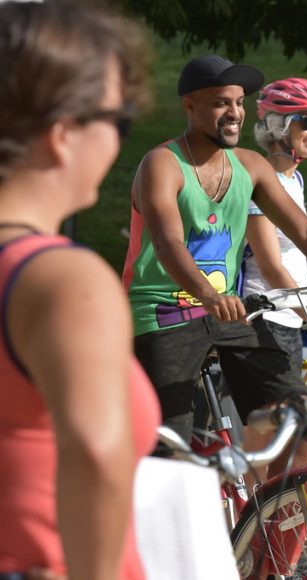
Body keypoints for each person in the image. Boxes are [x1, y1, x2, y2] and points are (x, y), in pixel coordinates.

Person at [123, 55, 307, 444]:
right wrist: (209, 295)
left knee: (298, 412)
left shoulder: (250, 166)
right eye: (220, 103)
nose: (234, 113)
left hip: (226, 315)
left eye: (238, 102)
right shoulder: (162, 164)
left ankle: (249, 490)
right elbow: (168, 244)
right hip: (163, 314)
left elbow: (305, 232)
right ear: (189, 106)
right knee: (169, 450)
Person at [0, 3, 160, 579]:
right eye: (119, 120)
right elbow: (96, 453)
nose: (122, 140)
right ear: (63, 133)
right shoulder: (62, 281)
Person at [242, 77, 307, 469]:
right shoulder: (262, 180)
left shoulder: (293, 179)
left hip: (291, 317)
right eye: (306, 121)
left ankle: (278, 519)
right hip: (266, 316)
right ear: (278, 126)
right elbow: (269, 264)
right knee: (288, 424)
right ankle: (254, 515)